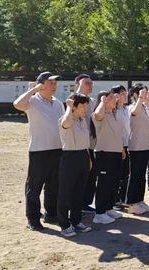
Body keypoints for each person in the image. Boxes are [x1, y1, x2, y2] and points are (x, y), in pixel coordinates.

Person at [13, 72, 63, 231]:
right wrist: (33, 90)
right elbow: (17, 104)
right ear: (41, 84)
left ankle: (51, 214)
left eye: (55, 83)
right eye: (50, 83)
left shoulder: (58, 103)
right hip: (39, 150)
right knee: (34, 186)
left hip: (57, 149)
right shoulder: (33, 101)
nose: (54, 86)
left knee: (54, 185)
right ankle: (33, 218)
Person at [57, 93, 93, 237]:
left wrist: (88, 158)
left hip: (83, 156)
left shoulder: (83, 121)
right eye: (82, 106)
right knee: (66, 192)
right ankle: (64, 225)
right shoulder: (65, 119)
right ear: (74, 107)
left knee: (79, 192)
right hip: (69, 157)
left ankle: (76, 221)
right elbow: (66, 123)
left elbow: (85, 142)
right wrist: (68, 107)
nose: (85, 108)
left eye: (86, 105)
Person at [92, 90, 125, 224]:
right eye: (110, 98)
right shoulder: (100, 114)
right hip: (104, 153)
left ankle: (108, 208)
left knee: (113, 182)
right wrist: (102, 101)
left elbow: (118, 134)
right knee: (103, 184)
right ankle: (99, 213)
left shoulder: (114, 114)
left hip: (115, 153)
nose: (113, 99)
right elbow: (98, 114)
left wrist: (121, 148)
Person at [126, 84, 149, 215]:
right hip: (135, 145)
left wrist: (146, 100)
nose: (145, 96)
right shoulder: (132, 107)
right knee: (135, 174)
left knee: (142, 175)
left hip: (145, 145)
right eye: (142, 93)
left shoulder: (145, 107)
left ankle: (139, 200)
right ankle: (132, 203)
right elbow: (134, 112)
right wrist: (141, 98)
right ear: (135, 94)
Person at [75, 74, 97, 214]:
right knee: (81, 176)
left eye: (91, 83)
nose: (90, 85)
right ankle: (78, 204)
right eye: (86, 83)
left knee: (92, 175)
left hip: (93, 143)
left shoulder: (93, 101)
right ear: (78, 84)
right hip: (81, 144)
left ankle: (86, 203)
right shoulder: (73, 100)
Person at [111, 85, 130, 208]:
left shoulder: (126, 109)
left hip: (128, 144)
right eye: (121, 93)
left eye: (125, 93)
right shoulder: (114, 111)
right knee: (117, 174)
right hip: (119, 145)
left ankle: (123, 198)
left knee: (126, 174)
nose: (124, 95)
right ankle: (115, 199)